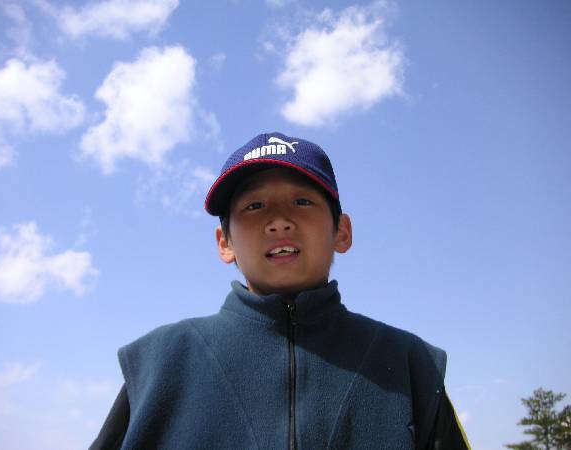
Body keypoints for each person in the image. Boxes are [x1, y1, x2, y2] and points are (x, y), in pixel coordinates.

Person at [91, 132, 470, 449]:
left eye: (302, 201)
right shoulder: (159, 363)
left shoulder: (411, 364)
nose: (278, 221)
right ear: (225, 243)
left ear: (342, 231)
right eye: (254, 205)